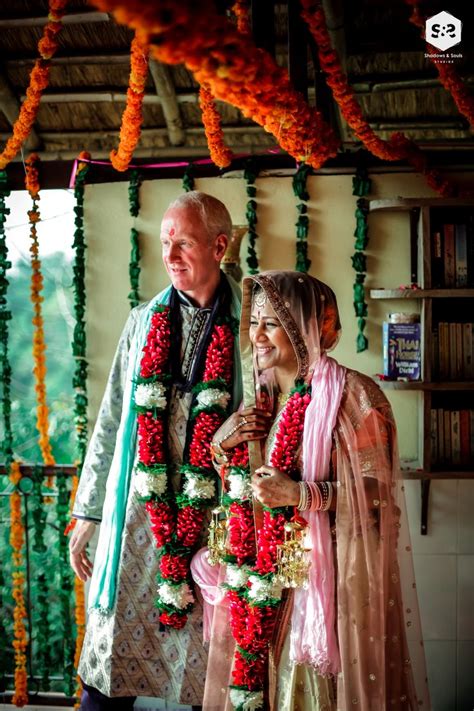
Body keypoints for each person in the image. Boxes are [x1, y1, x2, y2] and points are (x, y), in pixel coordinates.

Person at [192, 270, 430, 711]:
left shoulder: (354, 398)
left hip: (325, 584)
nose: (256, 336)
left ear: (303, 328)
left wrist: (301, 495)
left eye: (270, 323)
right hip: (260, 578)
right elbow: (243, 492)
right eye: (254, 321)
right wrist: (222, 446)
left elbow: (377, 496)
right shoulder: (258, 401)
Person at [68, 191, 242, 710]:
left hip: (211, 515)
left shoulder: (250, 324)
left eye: (183, 242)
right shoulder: (143, 320)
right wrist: (89, 512)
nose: (170, 254)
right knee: (109, 656)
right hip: (136, 513)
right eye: (165, 242)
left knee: (206, 657)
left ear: (219, 245)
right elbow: (111, 416)